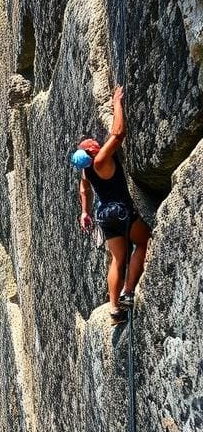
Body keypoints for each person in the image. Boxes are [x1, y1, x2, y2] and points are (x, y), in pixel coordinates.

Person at [70, 86, 152, 325]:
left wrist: (85, 212)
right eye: (90, 142)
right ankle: (128, 291)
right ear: (91, 151)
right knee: (143, 242)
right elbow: (117, 133)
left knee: (117, 259)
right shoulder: (100, 160)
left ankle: (115, 308)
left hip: (104, 216)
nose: (93, 140)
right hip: (121, 209)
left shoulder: (87, 171)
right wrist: (117, 102)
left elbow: (84, 188)